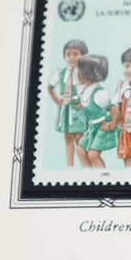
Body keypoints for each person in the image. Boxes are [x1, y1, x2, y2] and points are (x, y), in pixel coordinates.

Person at [46, 39, 88, 167]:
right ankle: (69, 167)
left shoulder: (85, 73)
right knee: (68, 139)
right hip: (65, 109)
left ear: (83, 56)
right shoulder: (60, 72)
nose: (71, 57)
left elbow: (91, 90)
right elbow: (49, 87)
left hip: (79, 111)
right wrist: (58, 101)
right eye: (68, 54)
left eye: (76, 54)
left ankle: (85, 166)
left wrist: (84, 103)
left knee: (80, 139)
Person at [74, 54, 118, 168]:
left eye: (78, 70)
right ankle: (89, 175)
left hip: (103, 127)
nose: (74, 73)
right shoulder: (84, 90)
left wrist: (112, 126)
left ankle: (101, 176)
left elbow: (115, 111)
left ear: (89, 74)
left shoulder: (100, 93)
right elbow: (89, 105)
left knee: (93, 155)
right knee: (80, 150)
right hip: (93, 127)